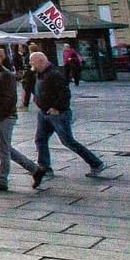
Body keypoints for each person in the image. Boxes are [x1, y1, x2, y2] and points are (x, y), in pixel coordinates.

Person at [30, 51, 106, 179]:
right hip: (44, 113)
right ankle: (44, 167)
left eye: (32, 62)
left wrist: (57, 108)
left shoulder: (54, 74)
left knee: (68, 141)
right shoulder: (40, 74)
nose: (30, 64)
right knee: (40, 139)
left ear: (41, 61)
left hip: (57, 114)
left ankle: (96, 163)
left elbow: (65, 93)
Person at [0, 47, 44, 192]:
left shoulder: (5, 75)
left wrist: (0, 114)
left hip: (3, 117)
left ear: (0, 58)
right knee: (5, 148)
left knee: (3, 150)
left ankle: (1, 180)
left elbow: (9, 98)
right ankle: (35, 170)